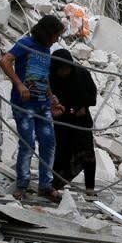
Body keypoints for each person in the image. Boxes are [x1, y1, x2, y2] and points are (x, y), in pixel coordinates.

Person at [0, 15, 65, 202]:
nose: (57, 39)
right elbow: (5, 61)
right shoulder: (26, 43)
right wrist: (19, 84)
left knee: (49, 143)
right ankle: (22, 185)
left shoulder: (46, 49)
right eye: (56, 35)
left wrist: (52, 98)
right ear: (47, 32)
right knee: (27, 144)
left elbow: (44, 76)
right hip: (24, 104)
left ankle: (45, 185)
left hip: (43, 104)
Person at [50, 48, 98, 195]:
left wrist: (81, 106)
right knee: (62, 154)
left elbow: (92, 97)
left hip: (81, 120)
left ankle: (90, 188)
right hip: (61, 121)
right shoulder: (51, 78)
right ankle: (57, 185)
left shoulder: (82, 74)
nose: (64, 72)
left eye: (67, 68)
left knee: (87, 154)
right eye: (61, 69)